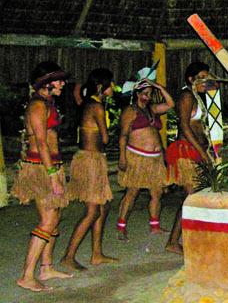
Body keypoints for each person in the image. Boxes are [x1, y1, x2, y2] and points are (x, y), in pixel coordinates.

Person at [12, 61, 73, 291]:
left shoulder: (48, 102)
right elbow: (41, 142)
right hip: (40, 167)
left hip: (49, 165)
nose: (63, 84)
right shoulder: (38, 105)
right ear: (47, 83)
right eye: (59, 80)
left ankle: (46, 267)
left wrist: (56, 169)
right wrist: (52, 174)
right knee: (48, 220)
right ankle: (26, 276)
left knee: (54, 217)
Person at [60, 69, 118, 271]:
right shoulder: (96, 106)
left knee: (104, 206)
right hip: (91, 160)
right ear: (102, 87)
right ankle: (68, 256)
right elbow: (104, 138)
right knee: (92, 211)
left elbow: (78, 94)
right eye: (111, 84)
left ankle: (96, 254)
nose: (114, 87)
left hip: (90, 158)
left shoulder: (88, 103)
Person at [116, 67, 174, 240]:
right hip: (137, 157)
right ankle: (121, 226)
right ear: (136, 93)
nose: (146, 96)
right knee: (132, 192)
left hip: (154, 159)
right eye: (143, 93)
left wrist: (157, 86)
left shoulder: (152, 109)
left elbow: (171, 104)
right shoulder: (130, 111)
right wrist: (122, 157)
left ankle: (155, 226)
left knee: (157, 193)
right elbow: (123, 135)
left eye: (149, 93)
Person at [164, 62, 215, 254]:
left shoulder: (196, 96)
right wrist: (203, 154)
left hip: (195, 149)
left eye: (207, 77)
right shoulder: (187, 96)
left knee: (195, 196)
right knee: (193, 197)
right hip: (186, 150)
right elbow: (184, 126)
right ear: (190, 79)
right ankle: (173, 241)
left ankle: (185, 238)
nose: (206, 81)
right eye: (201, 77)